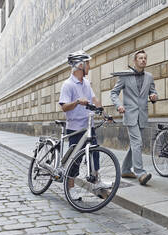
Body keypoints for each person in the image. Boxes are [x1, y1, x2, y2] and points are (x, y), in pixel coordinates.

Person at [59, 50, 110, 190]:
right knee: (75, 160)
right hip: (75, 128)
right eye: (88, 63)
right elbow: (64, 107)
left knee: (95, 153)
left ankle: (97, 181)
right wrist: (76, 102)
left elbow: (94, 99)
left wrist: (104, 113)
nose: (89, 67)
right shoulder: (68, 84)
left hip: (88, 126)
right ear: (80, 65)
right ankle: (70, 188)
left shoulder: (86, 83)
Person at [110, 50, 158, 185]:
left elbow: (153, 92)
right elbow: (114, 93)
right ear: (135, 61)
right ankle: (140, 173)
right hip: (130, 114)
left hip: (142, 115)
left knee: (135, 144)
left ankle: (125, 169)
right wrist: (119, 105)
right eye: (140, 58)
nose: (143, 60)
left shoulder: (149, 77)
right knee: (137, 143)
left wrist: (154, 97)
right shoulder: (125, 76)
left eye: (145, 58)